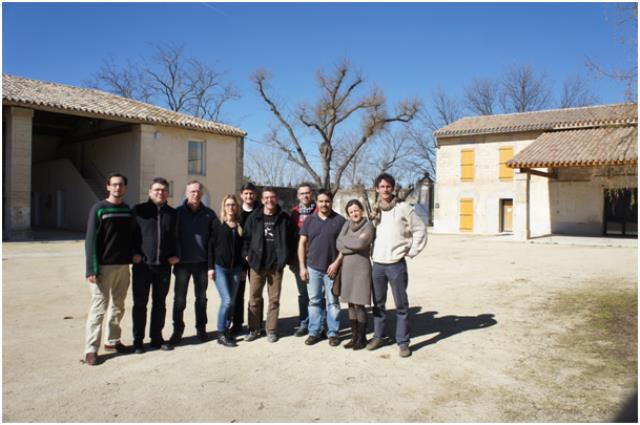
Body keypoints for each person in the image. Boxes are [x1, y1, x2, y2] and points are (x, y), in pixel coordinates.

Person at [367, 173, 428, 358]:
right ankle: (378, 336)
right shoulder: (375, 210)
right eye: (382, 186)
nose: (385, 189)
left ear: (393, 188)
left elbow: (420, 230)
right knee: (378, 304)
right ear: (377, 189)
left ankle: (403, 342)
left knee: (401, 305)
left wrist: (412, 251)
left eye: (388, 186)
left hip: (396, 265)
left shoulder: (404, 208)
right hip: (377, 264)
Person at [83, 173, 139, 366]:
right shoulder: (99, 209)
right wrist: (91, 268)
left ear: (125, 188)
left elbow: (132, 236)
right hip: (103, 268)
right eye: (114, 185)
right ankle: (91, 349)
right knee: (99, 309)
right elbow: (91, 240)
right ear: (108, 187)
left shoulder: (127, 210)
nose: (117, 188)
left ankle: (112, 341)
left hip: (123, 267)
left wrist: (135, 253)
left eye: (121, 185)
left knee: (118, 305)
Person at [131, 177, 180, 353]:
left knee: (160, 303)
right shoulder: (139, 211)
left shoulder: (172, 214)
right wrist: (133, 254)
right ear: (150, 192)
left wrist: (176, 255)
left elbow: (177, 238)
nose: (160, 192)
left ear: (167, 193)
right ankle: (138, 341)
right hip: (143, 266)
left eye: (164, 190)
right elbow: (130, 236)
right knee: (140, 304)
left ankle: (156, 338)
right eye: (157, 190)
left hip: (164, 267)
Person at [242, 187, 295, 343]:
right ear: (262, 199)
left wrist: (285, 258)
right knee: (254, 298)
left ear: (276, 198)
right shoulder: (254, 217)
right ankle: (253, 329)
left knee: (274, 300)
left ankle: (271, 330)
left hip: (276, 266)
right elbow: (245, 238)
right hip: (257, 264)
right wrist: (246, 255)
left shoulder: (284, 218)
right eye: (266, 197)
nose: (269, 200)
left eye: (272, 197)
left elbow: (291, 239)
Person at [169, 181, 218, 345]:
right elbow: (171, 236)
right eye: (192, 191)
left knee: (201, 298)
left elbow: (214, 241)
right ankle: (177, 331)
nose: (195, 194)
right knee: (179, 299)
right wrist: (173, 255)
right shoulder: (177, 213)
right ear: (186, 192)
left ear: (202, 194)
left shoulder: (209, 214)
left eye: (198, 191)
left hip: (202, 264)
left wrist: (212, 264)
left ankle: (201, 329)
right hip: (182, 263)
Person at [298, 189, 346, 347]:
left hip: (332, 269)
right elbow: (302, 244)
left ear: (331, 202)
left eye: (327, 201)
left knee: (333, 302)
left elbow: (345, 246)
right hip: (313, 268)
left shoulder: (340, 221)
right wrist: (302, 267)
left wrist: (337, 263)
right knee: (314, 301)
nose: (324, 204)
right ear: (316, 202)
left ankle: (333, 333)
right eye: (321, 201)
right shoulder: (309, 221)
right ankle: (314, 332)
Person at [336, 199, 375, 350]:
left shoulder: (368, 226)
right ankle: (354, 337)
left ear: (362, 210)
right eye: (351, 212)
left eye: (356, 210)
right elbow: (338, 243)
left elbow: (361, 244)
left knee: (359, 304)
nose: (354, 214)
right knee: (350, 303)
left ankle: (362, 338)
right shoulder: (346, 224)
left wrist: (347, 242)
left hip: (361, 269)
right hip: (347, 269)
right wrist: (353, 241)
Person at [208, 194, 244, 347]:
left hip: (236, 268)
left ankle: (227, 329)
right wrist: (210, 268)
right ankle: (221, 333)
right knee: (227, 300)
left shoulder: (239, 224)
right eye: (228, 205)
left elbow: (243, 250)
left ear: (236, 207)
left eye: (233, 205)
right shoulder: (217, 223)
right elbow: (210, 246)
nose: (231, 207)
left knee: (232, 301)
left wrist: (243, 269)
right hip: (220, 268)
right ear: (224, 206)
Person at [229, 182, 261, 336]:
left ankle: (256, 323)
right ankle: (237, 323)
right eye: (246, 193)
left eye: (251, 193)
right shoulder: (236, 213)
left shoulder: (261, 211)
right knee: (238, 292)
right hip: (239, 260)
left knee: (256, 293)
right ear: (241, 195)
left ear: (255, 195)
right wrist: (241, 264)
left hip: (257, 259)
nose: (249, 196)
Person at [288, 183, 317, 337]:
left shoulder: (319, 210)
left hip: (316, 259)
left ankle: (319, 323)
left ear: (311, 194)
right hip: (299, 260)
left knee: (317, 294)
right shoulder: (294, 213)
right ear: (298, 196)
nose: (305, 196)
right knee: (303, 293)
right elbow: (290, 237)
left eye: (308, 193)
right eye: (302, 193)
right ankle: (304, 323)